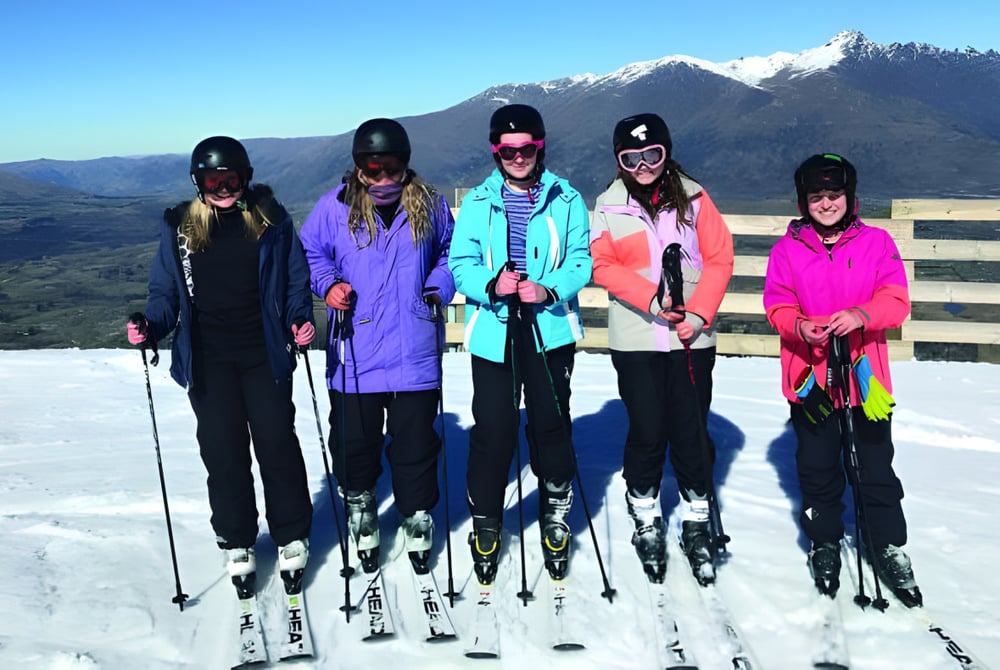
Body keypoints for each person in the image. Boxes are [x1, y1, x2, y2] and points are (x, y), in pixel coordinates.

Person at [126, 136, 315, 599]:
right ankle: (237, 540)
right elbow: (165, 294)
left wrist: (299, 320)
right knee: (223, 451)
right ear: (199, 182)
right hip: (208, 360)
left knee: (277, 443)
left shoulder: (272, 220)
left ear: (245, 178)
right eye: (214, 180)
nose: (224, 188)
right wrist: (150, 326)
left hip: (263, 353)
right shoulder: (181, 229)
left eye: (232, 179)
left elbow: (295, 281)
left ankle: (291, 533)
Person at [763, 153, 921, 607]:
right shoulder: (787, 250)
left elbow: (896, 300)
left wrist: (861, 315)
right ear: (803, 201)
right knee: (817, 467)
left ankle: (886, 544)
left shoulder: (876, 243)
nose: (827, 204)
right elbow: (777, 304)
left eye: (835, 195)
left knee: (874, 466)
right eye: (817, 196)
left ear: (850, 198)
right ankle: (825, 540)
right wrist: (799, 326)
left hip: (864, 381)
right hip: (811, 379)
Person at [298, 118, 455, 575]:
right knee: (353, 440)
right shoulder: (335, 207)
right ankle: (361, 501)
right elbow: (311, 252)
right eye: (374, 168)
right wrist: (328, 286)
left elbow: (450, 251)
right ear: (359, 167)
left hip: (414, 346)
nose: (384, 178)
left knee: (416, 442)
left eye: (394, 167)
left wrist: (438, 286)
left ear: (406, 165)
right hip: (355, 348)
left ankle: (416, 513)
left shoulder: (430, 204)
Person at [448, 104, 592, 584]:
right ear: (495, 151)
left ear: (540, 147)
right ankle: (487, 518)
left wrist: (549, 289)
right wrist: (491, 285)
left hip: (548, 328)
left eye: (526, 148)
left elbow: (581, 260)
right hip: (494, 330)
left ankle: (555, 507)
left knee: (551, 422)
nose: (517, 156)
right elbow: (460, 261)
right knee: (494, 428)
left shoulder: (566, 198)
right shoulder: (476, 203)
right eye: (507, 149)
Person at [590, 113, 734, 586]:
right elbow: (602, 265)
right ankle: (646, 513)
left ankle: (695, 515)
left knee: (691, 427)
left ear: (666, 152)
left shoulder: (695, 198)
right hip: (636, 336)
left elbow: (719, 258)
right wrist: (650, 299)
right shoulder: (608, 205)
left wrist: (699, 314)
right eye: (631, 158)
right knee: (647, 428)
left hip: (691, 336)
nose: (643, 165)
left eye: (652, 154)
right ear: (619, 161)